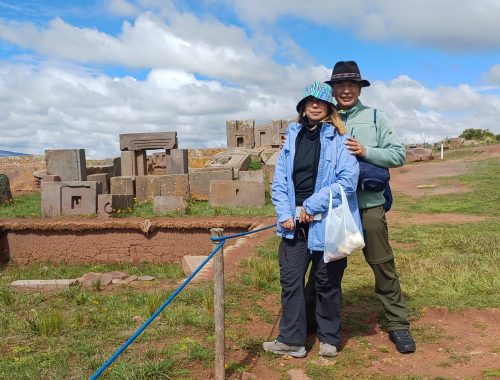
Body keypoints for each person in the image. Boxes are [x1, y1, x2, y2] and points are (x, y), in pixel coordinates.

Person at [262, 81, 361, 358]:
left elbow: (348, 182)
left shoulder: (341, 141)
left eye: (320, 102)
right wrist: (284, 214)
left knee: (327, 282)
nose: (315, 106)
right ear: (303, 108)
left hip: (326, 221)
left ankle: (328, 337)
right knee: (291, 281)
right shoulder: (290, 141)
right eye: (309, 101)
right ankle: (292, 340)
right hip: (293, 223)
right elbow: (280, 181)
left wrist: (311, 204)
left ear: (329, 107)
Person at [325, 60, 416, 353]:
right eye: (341, 84)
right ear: (333, 88)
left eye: (352, 84)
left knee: (381, 263)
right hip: (335, 208)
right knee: (326, 267)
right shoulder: (323, 116)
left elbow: (398, 155)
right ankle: (318, 323)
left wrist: (366, 151)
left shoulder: (376, 117)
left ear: (360, 88)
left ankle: (398, 323)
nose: (346, 90)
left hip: (369, 205)